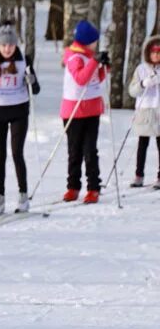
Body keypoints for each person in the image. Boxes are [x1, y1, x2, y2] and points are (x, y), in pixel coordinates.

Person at [0, 21, 41, 214]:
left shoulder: (25, 60)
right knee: (0, 155)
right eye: (4, 45)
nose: (7, 48)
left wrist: (31, 81)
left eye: (11, 45)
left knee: (17, 152)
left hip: (19, 111)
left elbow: (36, 89)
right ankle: (0, 197)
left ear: (16, 45)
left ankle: (23, 194)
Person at [61, 20, 108, 204]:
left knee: (90, 150)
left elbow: (96, 77)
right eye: (94, 41)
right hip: (74, 110)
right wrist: (95, 61)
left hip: (92, 108)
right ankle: (73, 186)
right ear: (87, 41)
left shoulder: (89, 56)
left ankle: (93, 187)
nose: (96, 44)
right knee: (75, 151)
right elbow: (81, 78)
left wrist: (104, 66)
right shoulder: (74, 57)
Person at [128, 35, 160, 188]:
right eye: (153, 52)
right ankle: (139, 175)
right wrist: (143, 83)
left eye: (159, 52)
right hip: (145, 110)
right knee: (142, 144)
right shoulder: (141, 69)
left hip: (159, 110)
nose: (156, 55)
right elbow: (132, 91)